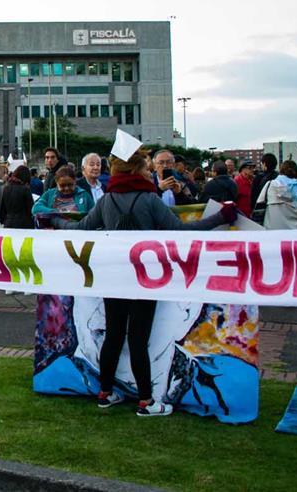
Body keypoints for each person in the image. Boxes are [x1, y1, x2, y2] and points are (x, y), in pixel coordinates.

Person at [50, 149, 236, 417]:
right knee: (139, 338)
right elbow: (181, 232)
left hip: (113, 279)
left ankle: (105, 393)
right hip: (143, 279)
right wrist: (220, 217)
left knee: (113, 335)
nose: (150, 172)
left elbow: (81, 229)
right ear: (137, 170)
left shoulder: (107, 200)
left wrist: (55, 221)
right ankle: (147, 401)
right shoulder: (150, 199)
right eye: (146, 168)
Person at [263, 160, 297, 230]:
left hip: (272, 231)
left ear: (281, 170)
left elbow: (259, 206)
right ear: (296, 172)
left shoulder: (269, 185)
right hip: (296, 232)